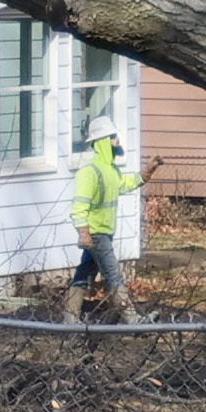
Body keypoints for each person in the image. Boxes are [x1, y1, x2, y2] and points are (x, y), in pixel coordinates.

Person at [69, 134, 139, 320]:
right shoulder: (90, 172)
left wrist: (145, 174)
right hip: (96, 234)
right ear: (102, 141)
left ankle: (69, 319)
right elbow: (79, 207)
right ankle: (133, 321)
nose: (118, 141)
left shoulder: (110, 170)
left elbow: (123, 185)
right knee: (113, 275)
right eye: (113, 137)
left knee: (83, 275)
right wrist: (83, 232)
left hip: (104, 233)